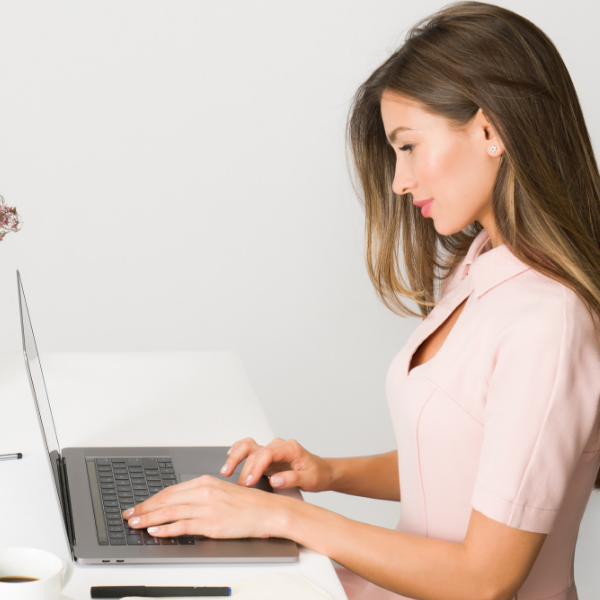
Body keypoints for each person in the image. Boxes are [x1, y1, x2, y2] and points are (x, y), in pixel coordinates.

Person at [121, 2, 600, 598]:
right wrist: (326, 473)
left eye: (407, 146)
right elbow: (467, 462)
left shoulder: (547, 322)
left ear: (489, 130)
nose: (399, 182)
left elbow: (485, 580)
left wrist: (282, 517)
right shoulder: (480, 271)